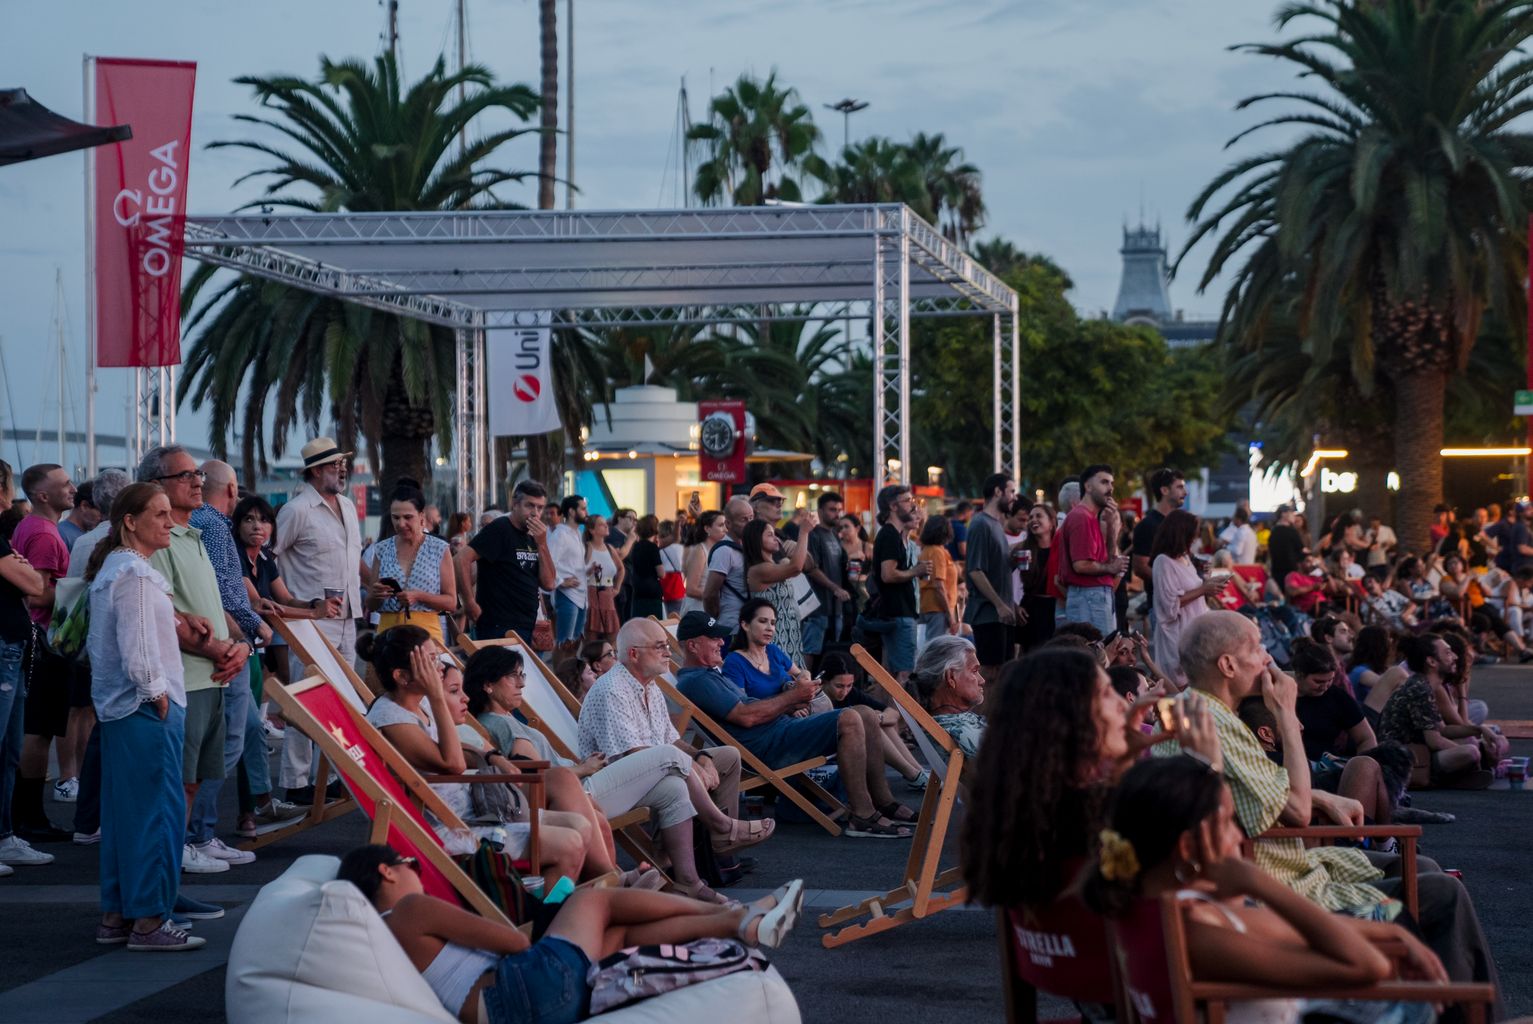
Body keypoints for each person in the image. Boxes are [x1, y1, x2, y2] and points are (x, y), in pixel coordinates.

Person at [1164, 612, 1501, 997]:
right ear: (1227, 665)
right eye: (1257, 649)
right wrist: (1287, 716)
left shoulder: (1191, 710)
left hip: (1281, 862)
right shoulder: (1214, 723)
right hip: (1281, 884)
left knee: (1423, 867)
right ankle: (1463, 1006)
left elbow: (1270, 794)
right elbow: (1296, 811)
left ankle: (1443, 1001)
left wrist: (1319, 793)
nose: (1269, 659)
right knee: (1444, 894)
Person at [1082, 757, 1444, 1024]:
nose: (1240, 837)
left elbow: (1283, 928)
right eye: (1227, 823)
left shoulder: (1156, 906)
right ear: (1188, 847)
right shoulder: (1195, 933)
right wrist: (1257, 881)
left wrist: (1391, 929)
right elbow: (1368, 965)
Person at [338, 843, 803, 1024]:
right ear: (387, 871)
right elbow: (514, 942)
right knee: (591, 901)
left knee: (619, 931)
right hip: (521, 993)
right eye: (412, 865)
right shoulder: (410, 911)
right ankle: (735, 915)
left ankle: (746, 921)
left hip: (522, 1008)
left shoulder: (377, 936)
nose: (418, 872)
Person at [960, 647, 1222, 917]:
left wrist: (1125, 759)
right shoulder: (1106, 840)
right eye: (1107, 694)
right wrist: (1209, 768)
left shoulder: (1024, 827)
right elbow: (1207, 901)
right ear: (1071, 722)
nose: (1124, 704)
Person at [361, 626, 602, 889]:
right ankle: (547, 914)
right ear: (402, 676)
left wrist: (490, 755)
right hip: (453, 828)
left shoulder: (417, 705)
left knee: (580, 825)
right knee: (569, 844)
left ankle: (570, 901)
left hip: (475, 811)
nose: (440, 667)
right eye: (430, 661)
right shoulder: (393, 719)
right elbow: (452, 763)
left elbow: (454, 745)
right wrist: (437, 697)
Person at [84, 482, 206, 951]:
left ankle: (117, 916)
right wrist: (155, 690)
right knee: (157, 813)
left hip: (121, 708)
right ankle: (151, 922)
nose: (169, 522)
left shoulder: (119, 569)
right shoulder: (134, 574)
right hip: (144, 707)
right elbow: (137, 643)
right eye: (159, 514)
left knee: (125, 815)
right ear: (130, 522)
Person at [673, 610, 916, 839]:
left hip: (778, 730)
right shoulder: (696, 680)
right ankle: (862, 815)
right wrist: (793, 697)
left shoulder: (710, 674)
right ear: (693, 645)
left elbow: (749, 707)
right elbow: (746, 716)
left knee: (865, 713)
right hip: (767, 746)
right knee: (850, 719)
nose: (721, 643)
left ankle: (884, 802)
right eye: (713, 638)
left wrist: (789, 704)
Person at [575, 617, 768, 901]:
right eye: (660, 647)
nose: (669, 652)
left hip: (652, 772)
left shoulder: (650, 686)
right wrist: (686, 765)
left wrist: (700, 758)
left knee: (724, 757)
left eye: (667, 645)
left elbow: (670, 738)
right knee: (670, 761)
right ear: (633, 654)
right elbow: (635, 754)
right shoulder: (612, 689)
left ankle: (693, 876)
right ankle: (723, 827)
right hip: (614, 784)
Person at [133, 447, 253, 876]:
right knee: (178, 781)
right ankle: (172, 857)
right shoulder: (159, 540)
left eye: (197, 472)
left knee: (197, 778)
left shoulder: (196, 535)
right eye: (184, 475)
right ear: (156, 486)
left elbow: (213, 608)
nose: (197, 480)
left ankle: (184, 847)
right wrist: (217, 650)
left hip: (214, 674)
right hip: (188, 678)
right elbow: (164, 614)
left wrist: (241, 647)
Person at [183, 460, 273, 869]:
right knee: (224, 743)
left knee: (242, 731)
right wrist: (256, 626)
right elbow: (227, 589)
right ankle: (199, 833)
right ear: (233, 491)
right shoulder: (215, 525)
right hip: (223, 644)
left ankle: (200, 831)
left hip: (205, 644)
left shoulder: (189, 524)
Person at [273, 437, 364, 802]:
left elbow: (351, 561)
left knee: (341, 701)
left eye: (341, 464)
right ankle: (296, 783)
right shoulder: (296, 510)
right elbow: (269, 558)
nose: (340, 470)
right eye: (332, 465)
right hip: (311, 620)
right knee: (305, 699)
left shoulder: (345, 505)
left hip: (348, 617)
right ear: (313, 471)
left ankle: (329, 778)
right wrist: (290, 604)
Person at [11, 463, 77, 835]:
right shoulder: (45, 535)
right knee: (40, 730)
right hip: (48, 642)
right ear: (42, 495)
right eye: (64, 484)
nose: (72, 489)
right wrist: (78, 590)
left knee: (35, 727)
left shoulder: (29, 527)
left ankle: (24, 812)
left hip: (37, 641)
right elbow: (37, 589)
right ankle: (31, 816)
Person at [0, 459, 51, 871]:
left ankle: (5, 835)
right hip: (4, 647)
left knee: (10, 748)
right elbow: (35, 586)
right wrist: (21, 568)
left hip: (13, 647)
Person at [1377, 635, 1494, 790]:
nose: (1455, 657)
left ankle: (1458, 775)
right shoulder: (1420, 689)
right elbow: (1435, 741)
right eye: (1448, 653)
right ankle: (1446, 779)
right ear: (1432, 662)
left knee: (1474, 744)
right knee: (1471, 752)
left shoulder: (1424, 685)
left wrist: (1480, 730)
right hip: (1402, 760)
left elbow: (1442, 729)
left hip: (1417, 752)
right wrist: (1471, 753)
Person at [458, 479, 556, 644]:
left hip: (528, 624)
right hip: (498, 625)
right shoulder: (500, 528)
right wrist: (469, 601)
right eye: (529, 505)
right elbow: (461, 559)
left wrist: (542, 544)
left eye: (540, 508)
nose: (535, 513)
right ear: (515, 504)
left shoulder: (535, 536)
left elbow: (549, 583)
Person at [818, 651, 927, 789]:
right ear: (825, 681)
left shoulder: (852, 694)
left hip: (850, 742)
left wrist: (877, 717)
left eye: (849, 685)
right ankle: (913, 775)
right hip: (832, 747)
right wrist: (870, 718)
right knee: (868, 721)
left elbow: (892, 715)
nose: (845, 691)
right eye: (839, 686)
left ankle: (918, 771)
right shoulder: (817, 698)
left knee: (877, 720)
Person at [365, 485, 457, 644]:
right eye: (396, 517)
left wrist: (419, 596)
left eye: (408, 517)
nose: (401, 524)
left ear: (422, 516)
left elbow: (451, 602)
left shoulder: (439, 548)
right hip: (388, 636)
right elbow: (371, 605)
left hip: (426, 636)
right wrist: (375, 595)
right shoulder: (381, 549)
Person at [865, 483, 929, 683]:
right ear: (893, 506)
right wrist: (915, 571)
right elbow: (888, 574)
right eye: (908, 500)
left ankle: (887, 713)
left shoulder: (896, 535)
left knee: (893, 673)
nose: (913, 505)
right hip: (898, 613)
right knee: (903, 672)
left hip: (902, 612)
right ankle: (898, 714)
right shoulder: (889, 535)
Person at [1150, 509, 1221, 688]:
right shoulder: (1163, 562)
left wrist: (1207, 582)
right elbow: (1169, 605)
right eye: (1193, 534)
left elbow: (1194, 590)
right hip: (1177, 637)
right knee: (1180, 691)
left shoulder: (1184, 558)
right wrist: (1203, 589)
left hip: (1195, 633)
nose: (1195, 539)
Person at [1058, 465, 1127, 635]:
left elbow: (1109, 559)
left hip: (1095, 595)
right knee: (1097, 654)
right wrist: (1110, 568)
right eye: (1104, 482)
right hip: (1088, 596)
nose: (1110, 488)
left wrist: (1112, 527)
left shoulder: (1091, 518)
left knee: (1103, 653)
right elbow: (1081, 565)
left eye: (1111, 483)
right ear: (1088, 487)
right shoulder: (1081, 517)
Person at [908, 635, 985, 760]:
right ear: (951, 677)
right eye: (974, 671)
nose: (982, 680)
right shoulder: (960, 732)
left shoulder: (946, 726)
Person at [742, 520, 806, 669]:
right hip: (774, 637)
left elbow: (801, 564)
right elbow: (796, 567)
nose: (776, 538)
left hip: (790, 633)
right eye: (770, 535)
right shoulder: (758, 570)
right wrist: (804, 532)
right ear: (757, 540)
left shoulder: (775, 565)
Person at [1132, 468, 1187, 634]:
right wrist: (1169, 585)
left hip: (1184, 603)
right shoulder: (1147, 525)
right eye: (1179, 487)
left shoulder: (1178, 523)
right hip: (1162, 605)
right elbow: (1140, 567)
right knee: (1169, 659)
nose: (1185, 492)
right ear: (1164, 490)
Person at [722, 598, 803, 701]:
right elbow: (742, 707)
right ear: (745, 625)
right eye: (763, 621)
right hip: (773, 716)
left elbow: (799, 673)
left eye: (773, 623)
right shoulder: (734, 662)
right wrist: (788, 706)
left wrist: (806, 678)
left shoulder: (773, 650)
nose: (770, 628)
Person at [803, 492, 851, 666]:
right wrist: (834, 588)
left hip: (835, 607)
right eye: (832, 509)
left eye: (839, 509)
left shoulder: (834, 536)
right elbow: (811, 568)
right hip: (817, 606)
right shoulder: (814, 535)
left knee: (831, 654)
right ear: (820, 510)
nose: (836, 513)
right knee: (811, 651)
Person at [703, 497, 754, 631]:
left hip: (749, 624)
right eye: (744, 519)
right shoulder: (724, 551)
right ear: (728, 524)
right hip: (731, 625)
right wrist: (715, 619)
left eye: (751, 518)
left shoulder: (748, 546)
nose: (749, 523)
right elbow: (709, 594)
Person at [582, 514, 623, 643]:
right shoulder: (586, 547)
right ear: (592, 530)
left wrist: (617, 588)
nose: (606, 525)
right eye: (601, 524)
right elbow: (578, 571)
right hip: (591, 594)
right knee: (591, 640)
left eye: (605, 523)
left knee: (613, 639)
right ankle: (591, 663)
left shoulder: (610, 548)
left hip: (608, 594)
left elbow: (621, 569)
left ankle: (613, 663)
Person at [918, 515, 959, 645]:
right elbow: (939, 585)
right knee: (936, 648)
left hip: (930, 605)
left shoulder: (929, 550)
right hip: (938, 608)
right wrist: (949, 615)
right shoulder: (937, 552)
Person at [680, 510, 724, 618]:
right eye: (721, 525)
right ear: (707, 529)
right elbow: (691, 589)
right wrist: (718, 597)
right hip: (699, 611)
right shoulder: (700, 551)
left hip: (712, 610)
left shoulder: (719, 549)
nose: (725, 529)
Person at [627, 515, 665, 621]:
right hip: (652, 591)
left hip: (638, 590)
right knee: (654, 624)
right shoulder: (653, 547)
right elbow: (661, 573)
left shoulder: (635, 547)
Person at [1266, 505, 1307, 587]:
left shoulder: (1273, 532)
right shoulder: (1291, 531)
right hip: (1291, 573)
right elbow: (1301, 550)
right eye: (1291, 513)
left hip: (1276, 572)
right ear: (1283, 514)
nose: (1294, 516)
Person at [56, 480, 100, 551]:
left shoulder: (63, 533)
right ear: (84, 506)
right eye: (100, 511)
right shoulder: (62, 535)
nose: (103, 517)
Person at [657, 519, 687, 619]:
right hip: (678, 584)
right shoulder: (681, 548)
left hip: (665, 583)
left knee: (668, 615)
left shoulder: (660, 549)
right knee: (678, 615)